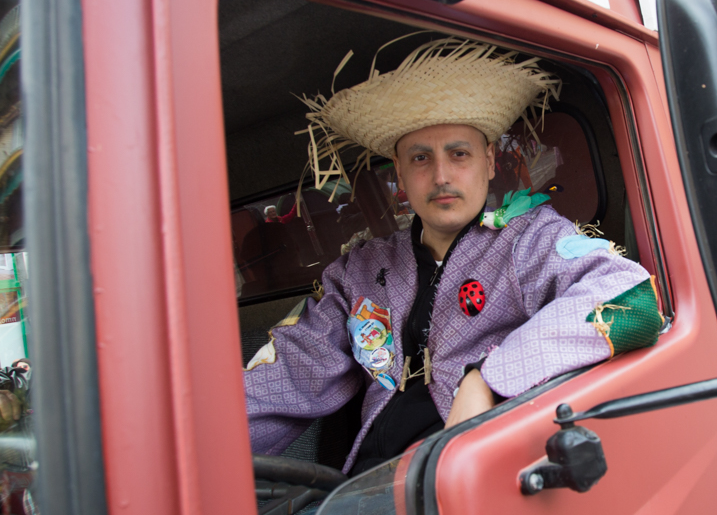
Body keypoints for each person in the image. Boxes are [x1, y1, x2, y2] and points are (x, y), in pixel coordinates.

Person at [243, 37, 664, 475]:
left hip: (468, 478)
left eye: (458, 154)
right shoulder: (360, 270)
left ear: (488, 160)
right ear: (400, 174)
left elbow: (632, 298)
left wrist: (488, 379)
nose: (441, 176)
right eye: (421, 158)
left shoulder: (529, 241)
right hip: (363, 486)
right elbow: (292, 370)